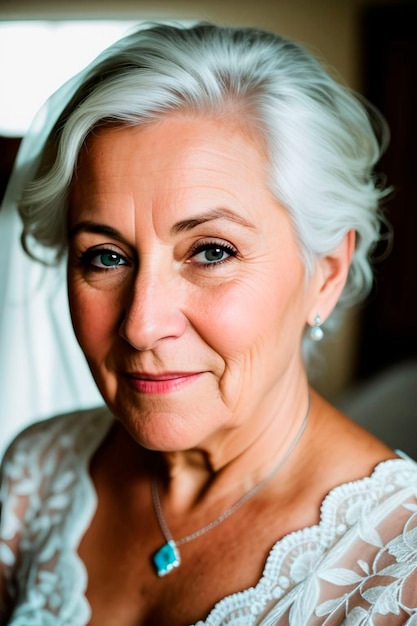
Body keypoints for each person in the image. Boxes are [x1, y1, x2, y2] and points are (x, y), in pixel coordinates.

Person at [0, 22, 416, 626]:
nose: (141, 326)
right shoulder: (37, 474)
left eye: (211, 252)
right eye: (105, 256)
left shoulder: (399, 572)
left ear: (325, 273)